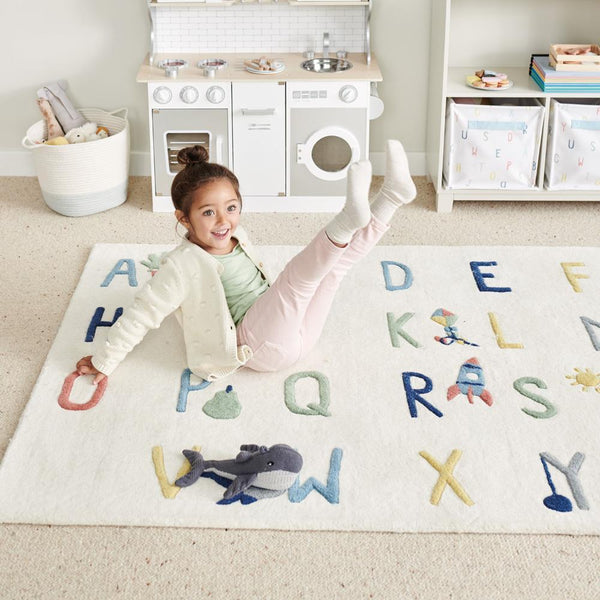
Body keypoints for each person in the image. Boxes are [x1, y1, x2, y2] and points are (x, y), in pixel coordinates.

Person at [76, 140, 417, 384]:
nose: (223, 221)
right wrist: (104, 361)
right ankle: (346, 220)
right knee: (297, 282)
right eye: (208, 212)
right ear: (183, 219)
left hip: (298, 337)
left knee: (333, 272)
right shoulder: (180, 266)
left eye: (231, 208)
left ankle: (391, 198)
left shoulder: (239, 238)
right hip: (255, 347)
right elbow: (141, 314)